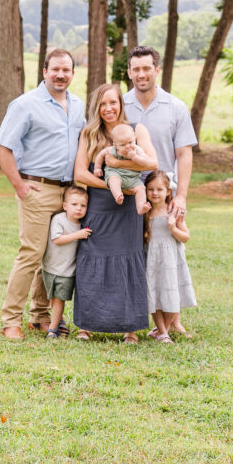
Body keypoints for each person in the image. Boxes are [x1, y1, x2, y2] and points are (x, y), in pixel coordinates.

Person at [0, 48, 86, 340]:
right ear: (44, 71)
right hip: (36, 187)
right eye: (55, 69)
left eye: (67, 70)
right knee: (31, 253)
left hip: (68, 192)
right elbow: (2, 145)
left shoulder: (79, 105)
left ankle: (40, 316)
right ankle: (11, 319)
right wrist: (19, 186)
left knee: (55, 254)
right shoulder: (26, 104)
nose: (61, 75)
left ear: (73, 73)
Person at [72, 83, 158, 343]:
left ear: (121, 104)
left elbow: (153, 162)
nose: (108, 108)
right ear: (96, 107)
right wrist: (111, 185)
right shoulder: (89, 133)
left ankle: (129, 328)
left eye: (113, 102)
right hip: (100, 206)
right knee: (92, 258)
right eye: (102, 104)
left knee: (128, 261)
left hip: (129, 208)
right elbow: (80, 174)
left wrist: (118, 166)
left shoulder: (136, 130)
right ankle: (86, 326)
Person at [122, 45, 198, 336]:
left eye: (146, 68)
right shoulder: (122, 105)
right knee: (135, 256)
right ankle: (134, 320)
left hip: (163, 196)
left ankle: (173, 320)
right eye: (135, 69)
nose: (141, 74)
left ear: (156, 70)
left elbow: (184, 155)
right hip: (129, 195)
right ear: (129, 72)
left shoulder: (175, 107)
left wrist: (181, 196)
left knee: (170, 257)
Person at [144, 170, 195, 343]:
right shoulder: (145, 212)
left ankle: (161, 330)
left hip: (172, 259)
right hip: (153, 260)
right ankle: (163, 332)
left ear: (167, 191)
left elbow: (186, 237)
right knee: (154, 293)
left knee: (175, 293)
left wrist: (173, 228)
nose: (155, 193)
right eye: (150, 189)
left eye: (159, 189)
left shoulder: (173, 210)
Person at [42, 186, 91, 339]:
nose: (79, 208)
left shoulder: (83, 224)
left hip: (67, 271)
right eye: (74, 204)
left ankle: (53, 328)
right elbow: (57, 240)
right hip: (50, 267)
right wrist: (78, 235)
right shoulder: (59, 219)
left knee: (59, 300)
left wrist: (80, 233)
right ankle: (58, 322)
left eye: (83, 205)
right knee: (53, 298)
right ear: (65, 206)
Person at [93, 123, 150, 214]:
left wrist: (135, 157)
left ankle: (140, 207)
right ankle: (118, 195)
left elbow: (146, 162)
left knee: (141, 188)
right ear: (115, 145)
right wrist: (97, 168)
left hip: (133, 178)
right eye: (123, 145)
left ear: (134, 138)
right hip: (116, 173)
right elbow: (100, 155)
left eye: (130, 142)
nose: (128, 146)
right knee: (113, 180)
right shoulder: (111, 150)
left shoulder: (137, 150)